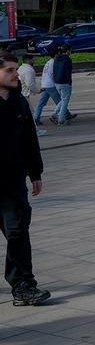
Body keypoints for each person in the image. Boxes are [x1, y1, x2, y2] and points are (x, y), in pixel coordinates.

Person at [0, 54, 50, 305]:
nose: (16, 74)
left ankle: (23, 285)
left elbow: (30, 139)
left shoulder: (19, 103)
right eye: (10, 70)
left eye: (15, 70)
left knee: (18, 232)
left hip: (12, 183)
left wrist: (35, 173)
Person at [50, 43, 73, 125]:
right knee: (65, 101)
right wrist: (69, 82)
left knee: (63, 99)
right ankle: (61, 118)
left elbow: (54, 71)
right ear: (67, 51)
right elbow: (68, 72)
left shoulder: (56, 59)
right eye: (70, 50)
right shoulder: (67, 59)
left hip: (57, 82)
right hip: (65, 82)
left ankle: (54, 114)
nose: (70, 52)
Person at [32, 52, 57, 126]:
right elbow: (53, 75)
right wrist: (57, 84)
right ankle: (63, 115)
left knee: (41, 103)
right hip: (50, 85)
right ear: (56, 55)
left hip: (44, 85)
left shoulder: (48, 62)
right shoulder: (54, 63)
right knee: (60, 102)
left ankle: (36, 118)